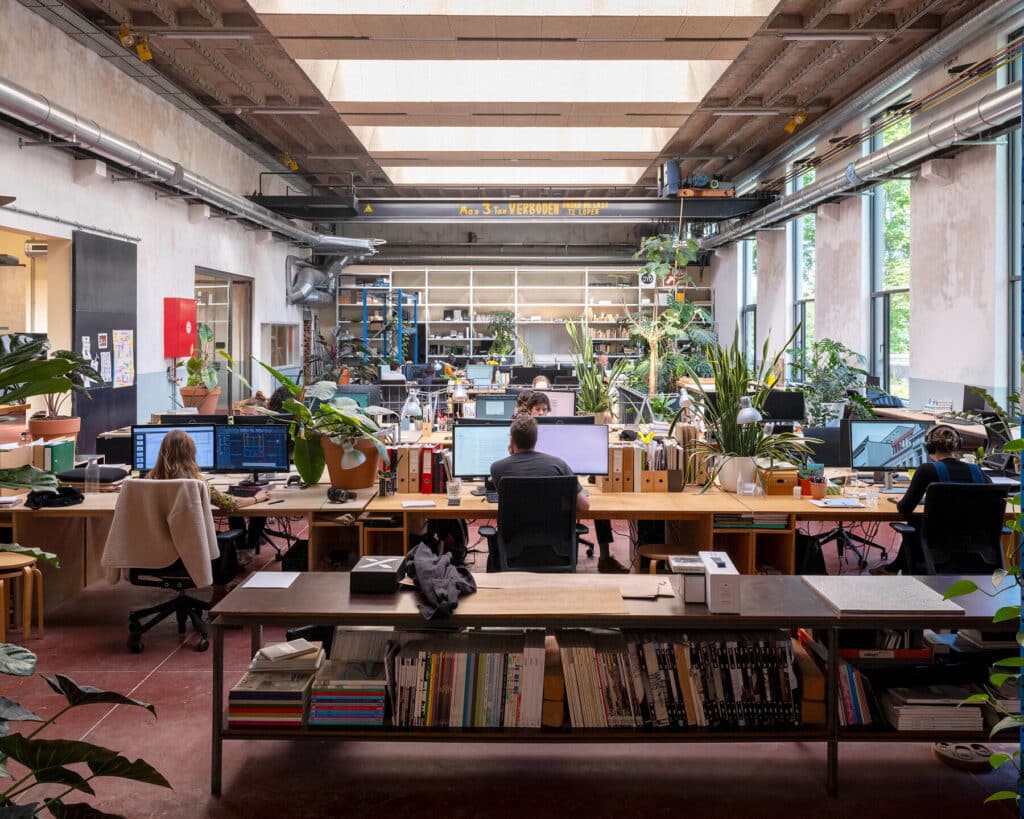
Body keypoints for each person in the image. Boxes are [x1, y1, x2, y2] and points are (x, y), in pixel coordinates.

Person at [489, 416, 627, 573]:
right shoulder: (558, 465)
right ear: (536, 439)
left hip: (513, 548)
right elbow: (584, 506)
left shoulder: (497, 468)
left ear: (512, 440)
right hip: (556, 547)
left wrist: (512, 453)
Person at [872, 425, 991, 574]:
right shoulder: (977, 471)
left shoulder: (926, 470)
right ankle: (894, 567)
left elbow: (905, 508)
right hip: (976, 548)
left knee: (916, 521)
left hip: (938, 545)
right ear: (958, 445)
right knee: (918, 521)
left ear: (929, 448)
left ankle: (894, 568)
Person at [149, 429, 270, 565]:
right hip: (189, 544)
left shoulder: (148, 481)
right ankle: (245, 551)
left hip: (156, 546)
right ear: (191, 452)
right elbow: (231, 504)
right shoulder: (197, 482)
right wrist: (257, 498)